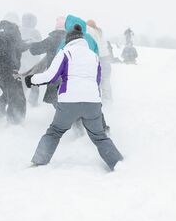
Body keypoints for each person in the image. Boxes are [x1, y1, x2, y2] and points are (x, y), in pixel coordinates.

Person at [25, 22, 124, 170]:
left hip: (69, 103)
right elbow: (96, 80)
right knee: (99, 136)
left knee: (55, 132)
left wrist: (31, 79)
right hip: (92, 103)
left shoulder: (65, 53)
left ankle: (39, 161)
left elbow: (51, 76)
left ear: (69, 40)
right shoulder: (93, 56)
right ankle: (117, 163)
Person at [0, 16, 30, 124]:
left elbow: (11, 46)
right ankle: (15, 123)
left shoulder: (0, 29)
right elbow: (16, 47)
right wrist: (30, 45)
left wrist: (26, 44)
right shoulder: (12, 29)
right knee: (17, 96)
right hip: (8, 68)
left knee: (10, 92)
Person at [20, 13, 43, 107]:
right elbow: (40, 46)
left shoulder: (19, 31)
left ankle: (21, 100)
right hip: (33, 62)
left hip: (22, 61)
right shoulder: (36, 32)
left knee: (22, 82)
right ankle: (33, 102)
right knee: (34, 83)